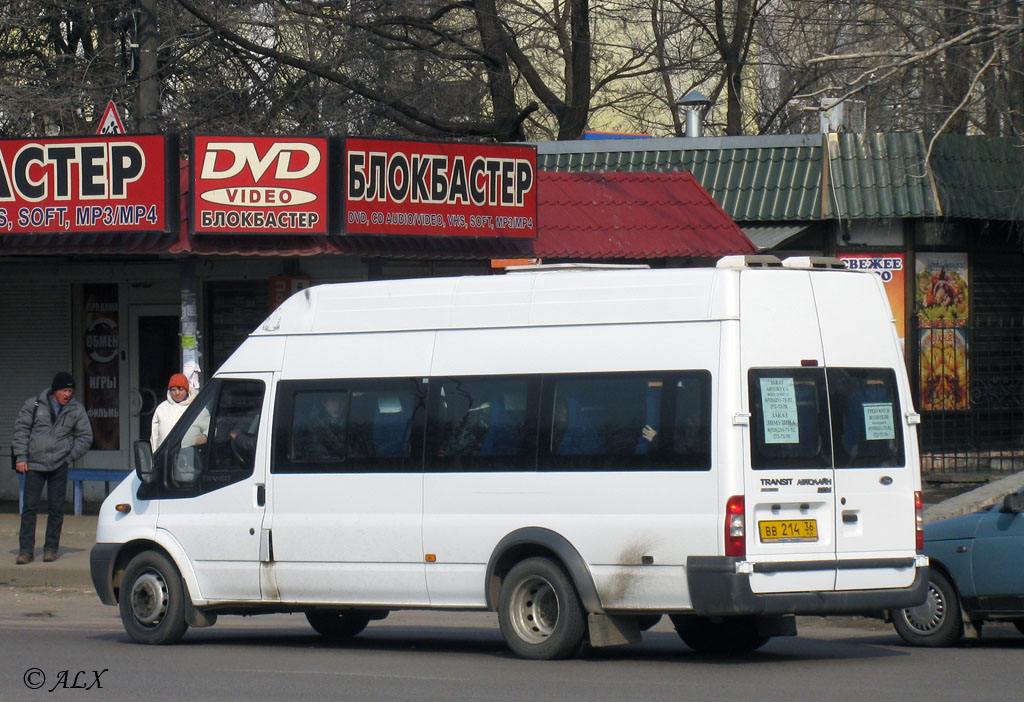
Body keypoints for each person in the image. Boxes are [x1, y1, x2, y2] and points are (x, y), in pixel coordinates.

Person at [11, 372, 93, 565]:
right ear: (55, 390)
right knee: (29, 508)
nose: (67, 394)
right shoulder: (35, 405)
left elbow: (85, 437)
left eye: (70, 391)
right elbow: (21, 431)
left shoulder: (76, 409)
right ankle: (26, 551)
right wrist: (21, 457)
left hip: (58, 465)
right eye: (64, 390)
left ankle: (50, 549)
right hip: (34, 465)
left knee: (56, 509)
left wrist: (68, 457)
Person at [151, 373, 205, 451]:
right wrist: (154, 454)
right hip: (165, 455)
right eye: (174, 389)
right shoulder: (161, 408)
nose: (177, 393)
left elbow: (209, 426)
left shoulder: (196, 407)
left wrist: (205, 436)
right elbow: (154, 435)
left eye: (180, 389)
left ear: (186, 390)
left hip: (188, 455)